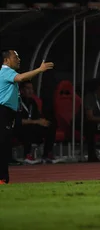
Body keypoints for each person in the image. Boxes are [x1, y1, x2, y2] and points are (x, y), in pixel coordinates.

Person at [0, 50, 54, 184]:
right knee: (3, 146)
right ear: (6, 60)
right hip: (3, 111)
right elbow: (21, 78)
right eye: (15, 57)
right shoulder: (5, 71)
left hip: (8, 113)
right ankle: (2, 178)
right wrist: (39, 69)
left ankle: (3, 178)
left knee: (5, 145)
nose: (18, 59)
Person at [14, 81, 58, 164]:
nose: (31, 91)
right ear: (21, 90)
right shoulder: (16, 102)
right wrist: (36, 121)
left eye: (32, 88)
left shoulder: (32, 102)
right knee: (28, 127)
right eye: (28, 88)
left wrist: (42, 121)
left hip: (32, 127)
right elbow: (18, 120)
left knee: (50, 125)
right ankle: (27, 155)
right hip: (18, 129)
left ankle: (46, 155)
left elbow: (37, 117)